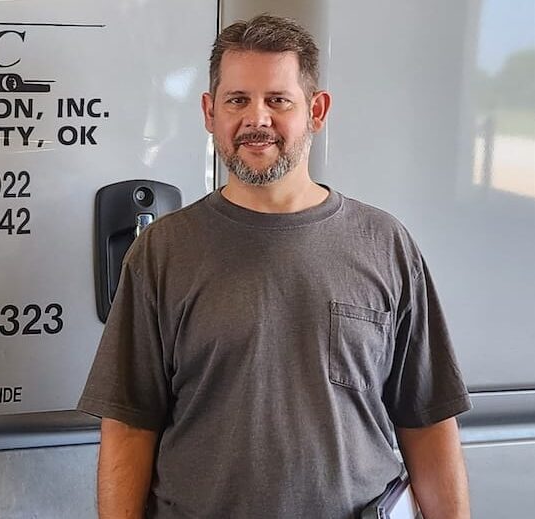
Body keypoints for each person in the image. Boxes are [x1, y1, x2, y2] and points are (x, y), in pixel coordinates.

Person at [77, 14, 472, 519]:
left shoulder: (385, 244)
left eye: (278, 101)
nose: (256, 119)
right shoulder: (162, 252)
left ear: (317, 110)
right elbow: (129, 427)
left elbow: (429, 420)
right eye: (237, 100)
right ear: (209, 111)